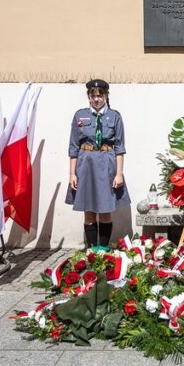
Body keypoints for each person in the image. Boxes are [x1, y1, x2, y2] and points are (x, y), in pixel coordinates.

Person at [65, 79, 130, 250]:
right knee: (88, 208)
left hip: (107, 164)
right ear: (88, 97)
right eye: (93, 96)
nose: (96, 99)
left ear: (106, 96)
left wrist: (119, 173)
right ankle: (92, 249)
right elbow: (73, 147)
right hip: (85, 163)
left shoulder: (114, 116)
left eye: (100, 96)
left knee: (105, 208)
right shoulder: (80, 115)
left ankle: (103, 249)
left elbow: (120, 147)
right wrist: (72, 174)